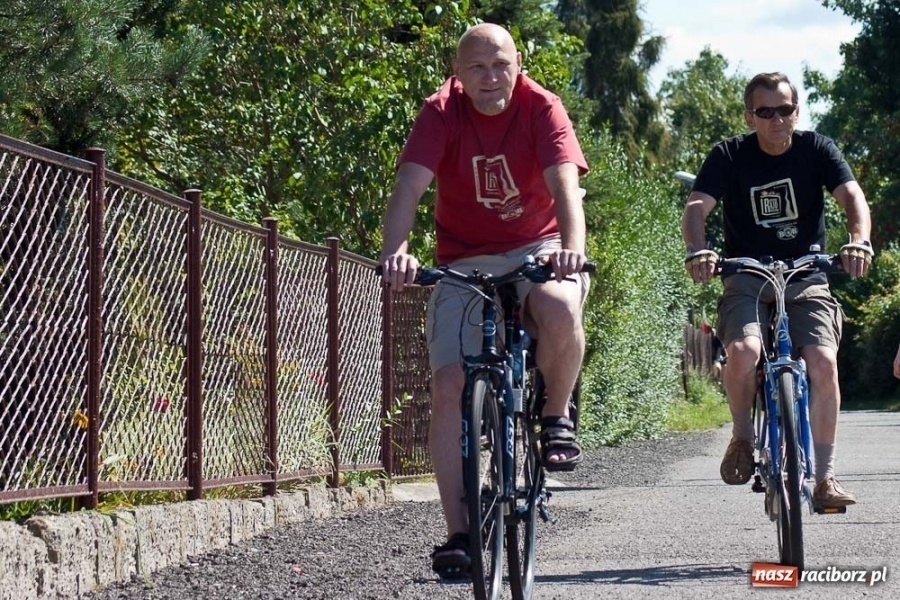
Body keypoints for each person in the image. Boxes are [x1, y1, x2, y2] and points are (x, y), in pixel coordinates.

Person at [379, 23, 590, 579]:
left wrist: (571, 253)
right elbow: (408, 187)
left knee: (561, 307)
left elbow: (566, 187)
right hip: (463, 256)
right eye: (477, 68)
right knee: (449, 384)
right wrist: (397, 251)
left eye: (500, 65)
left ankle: (554, 416)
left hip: (539, 245)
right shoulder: (440, 112)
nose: (491, 77)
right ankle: (459, 533)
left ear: (517, 63)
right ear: (459, 73)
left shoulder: (542, 107)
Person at [682, 72, 873, 510]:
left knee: (823, 362)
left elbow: (852, 197)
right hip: (746, 274)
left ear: (796, 111)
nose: (776, 120)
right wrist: (700, 250)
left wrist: (858, 239)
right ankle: (743, 439)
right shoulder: (728, 154)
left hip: (807, 274)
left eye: (784, 110)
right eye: (764, 112)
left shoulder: (817, 149)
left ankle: (824, 477)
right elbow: (697, 207)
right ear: (749, 115)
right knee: (745, 352)